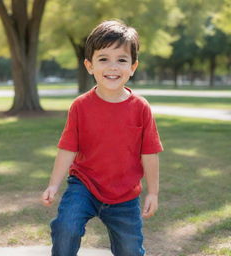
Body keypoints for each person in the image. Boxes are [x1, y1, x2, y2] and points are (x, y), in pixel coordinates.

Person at [41, 20, 163, 256]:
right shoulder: (80, 106)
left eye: (121, 60)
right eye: (104, 59)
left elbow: (149, 154)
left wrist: (153, 192)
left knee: (130, 250)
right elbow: (67, 149)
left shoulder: (141, 108)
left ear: (133, 67)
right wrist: (54, 184)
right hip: (84, 186)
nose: (113, 67)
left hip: (125, 193)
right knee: (66, 228)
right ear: (89, 65)